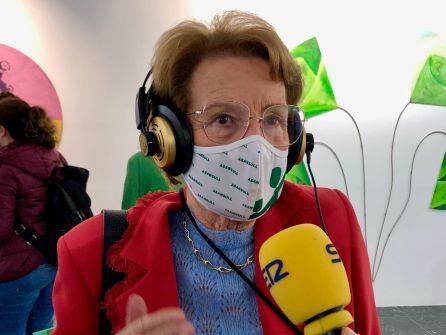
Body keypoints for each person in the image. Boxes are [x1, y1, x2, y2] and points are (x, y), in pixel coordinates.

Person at [52, 11, 381, 335]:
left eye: (273, 119)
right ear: (169, 139)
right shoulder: (90, 251)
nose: (256, 144)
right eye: (223, 118)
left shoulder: (328, 218)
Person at [0, 92, 66, 334]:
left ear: (2, 130)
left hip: (18, 270)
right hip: (52, 262)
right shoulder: (54, 157)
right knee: (41, 330)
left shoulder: (5, 167)